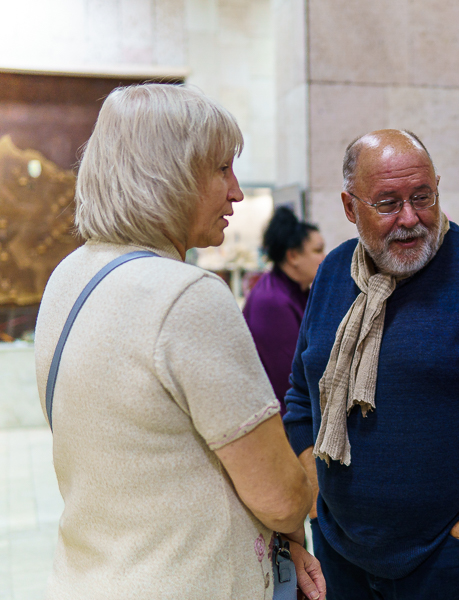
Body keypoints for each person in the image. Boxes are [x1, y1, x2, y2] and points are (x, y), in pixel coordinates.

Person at [33, 84, 325, 600]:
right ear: (169, 174)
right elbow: (280, 498)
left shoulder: (68, 276)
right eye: (221, 169)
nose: (236, 191)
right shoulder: (187, 295)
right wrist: (310, 482)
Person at [282, 129, 459, 600]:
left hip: (450, 560)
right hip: (341, 557)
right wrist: (316, 504)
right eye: (388, 203)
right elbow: (299, 395)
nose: (410, 218)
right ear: (350, 208)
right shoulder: (334, 273)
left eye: (423, 197)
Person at [244, 206, 325, 410]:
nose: (326, 257)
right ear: (293, 256)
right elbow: (289, 381)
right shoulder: (272, 302)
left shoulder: (297, 289)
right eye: (317, 250)